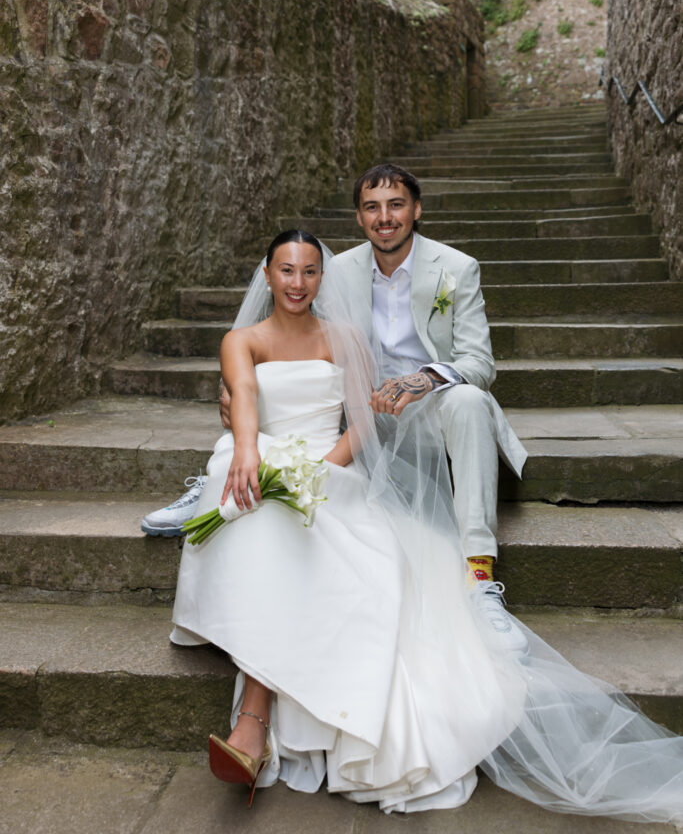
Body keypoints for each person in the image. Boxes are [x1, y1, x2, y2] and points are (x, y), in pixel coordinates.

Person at [170, 229, 683, 821]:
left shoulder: (344, 337)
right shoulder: (242, 339)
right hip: (258, 454)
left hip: (329, 465)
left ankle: (251, 724)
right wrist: (248, 454)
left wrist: (319, 475)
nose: (297, 283)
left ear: (322, 279)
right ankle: (255, 719)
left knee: (303, 527)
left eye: (310, 272)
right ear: (267, 276)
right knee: (257, 519)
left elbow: (361, 422)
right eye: (286, 270)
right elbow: (245, 403)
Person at [147, 164, 525, 648]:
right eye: (372, 207)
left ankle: (478, 578)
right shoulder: (336, 269)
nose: (384, 217)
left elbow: (479, 363)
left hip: (434, 407)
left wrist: (422, 380)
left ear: (416, 210)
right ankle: (216, 487)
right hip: (358, 407)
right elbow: (288, 330)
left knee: (472, 400)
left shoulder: (457, 268)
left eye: (395, 205)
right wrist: (242, 383)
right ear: (359, 217)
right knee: (264, 401)